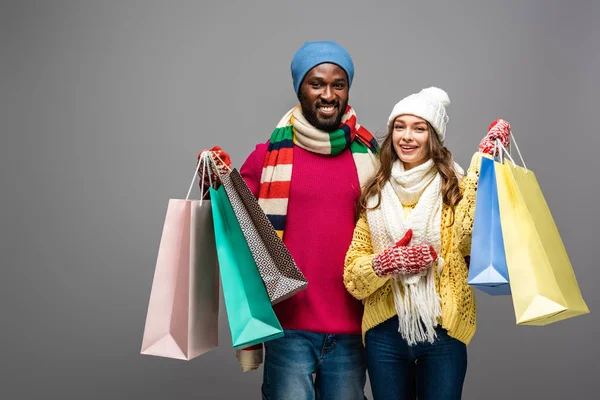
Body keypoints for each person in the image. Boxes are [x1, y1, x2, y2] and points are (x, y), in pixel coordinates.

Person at [201, 41, 379, 399]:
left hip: (354, 327)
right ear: (300, 88)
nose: (328, 94)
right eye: (317, 84)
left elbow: (417, 195)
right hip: (289, 327)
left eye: (338, 84)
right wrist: (214, 182)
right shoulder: (267, 157)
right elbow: (235, 220)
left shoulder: (373, 155)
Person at [343, 86, 511, 399]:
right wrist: (387, 263)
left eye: (419, 128)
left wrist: (483, 166)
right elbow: (353, 278)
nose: (406, 136)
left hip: (443, 331)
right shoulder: (375, 193)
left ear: (432, 137)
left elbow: (466, 242)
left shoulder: (455, 186)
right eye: (399, 127)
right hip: (384, 333)